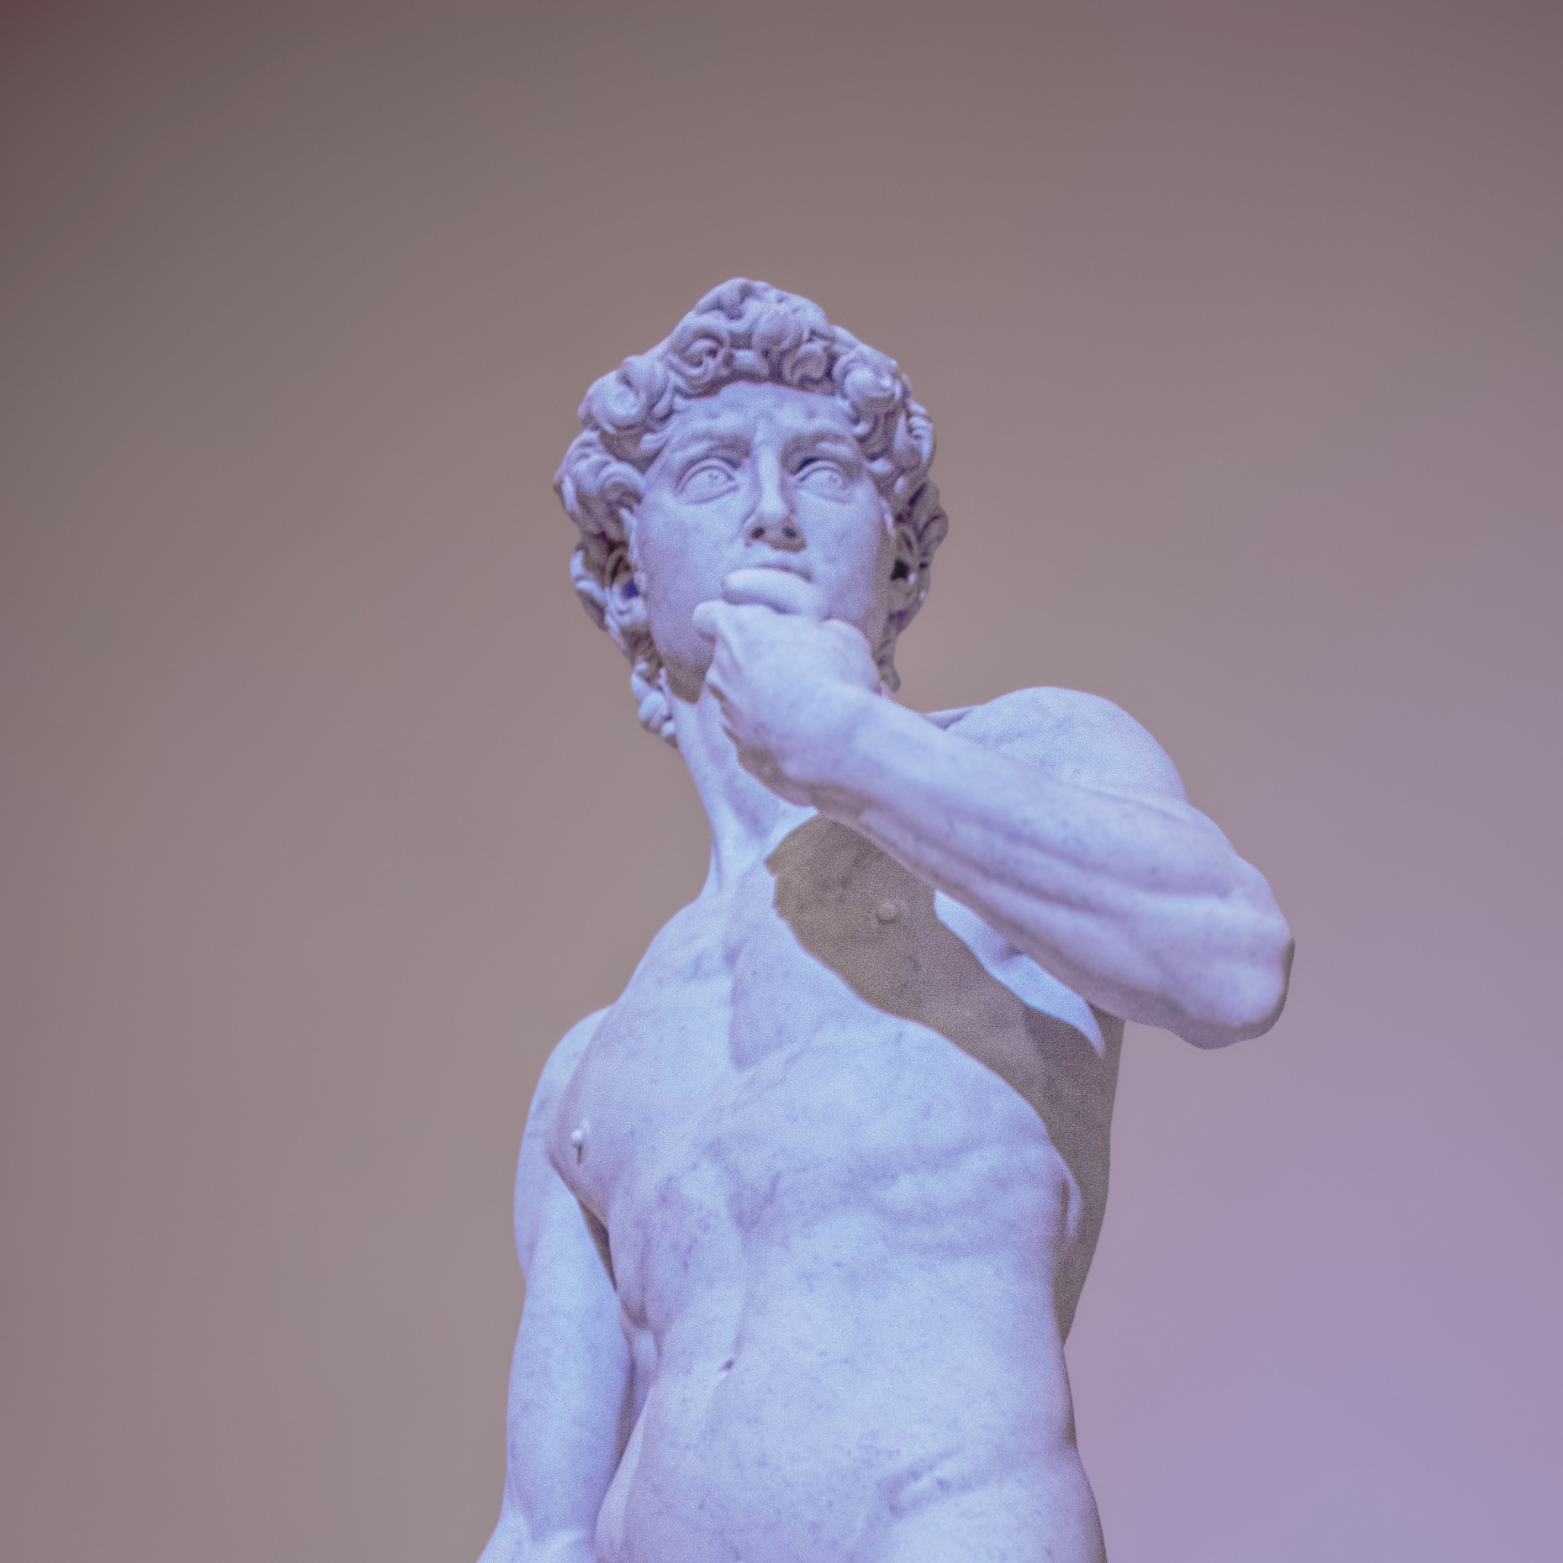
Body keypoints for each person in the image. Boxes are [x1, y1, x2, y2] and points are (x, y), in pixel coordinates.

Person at [477, 279, 1292, 1563]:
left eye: (824, 470)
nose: (769, 509)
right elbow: (541, 1532)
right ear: (630, 579)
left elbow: (1231, 963)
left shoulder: (1033, 757)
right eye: (708, 472)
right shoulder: (593, 1067)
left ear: (898, 556)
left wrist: (850, 748)